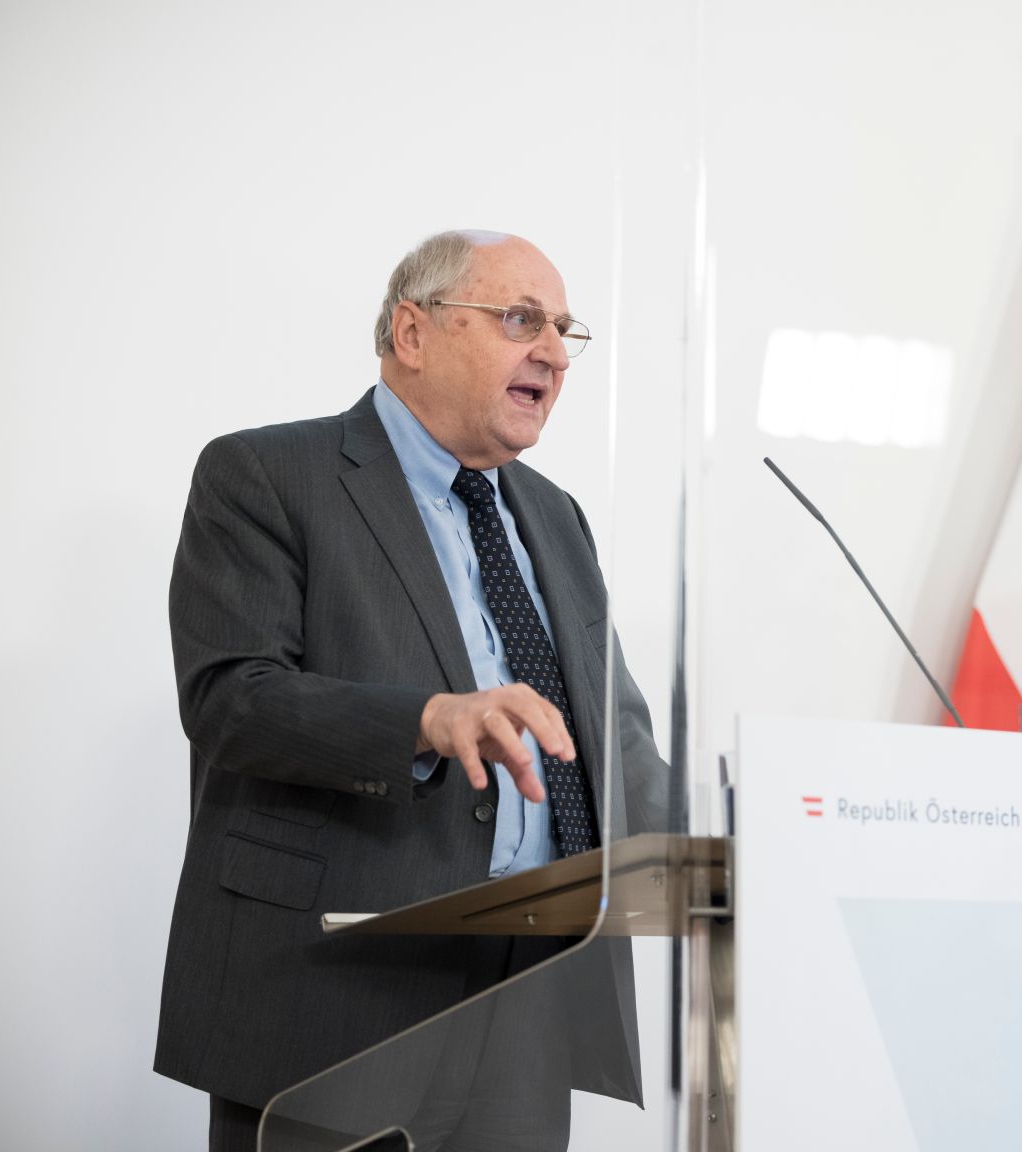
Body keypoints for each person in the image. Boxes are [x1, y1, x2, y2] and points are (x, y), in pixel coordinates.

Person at [153, 230, 671, 1151]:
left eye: (563, 329)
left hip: (528, 990)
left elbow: (613, 737)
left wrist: (750, 841)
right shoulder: (267, 475)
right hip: (332, 996)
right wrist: (428, 719)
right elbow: (232, 700)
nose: (553, 351)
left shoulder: (555, 516)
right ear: (413, 332)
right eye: (520, 319)